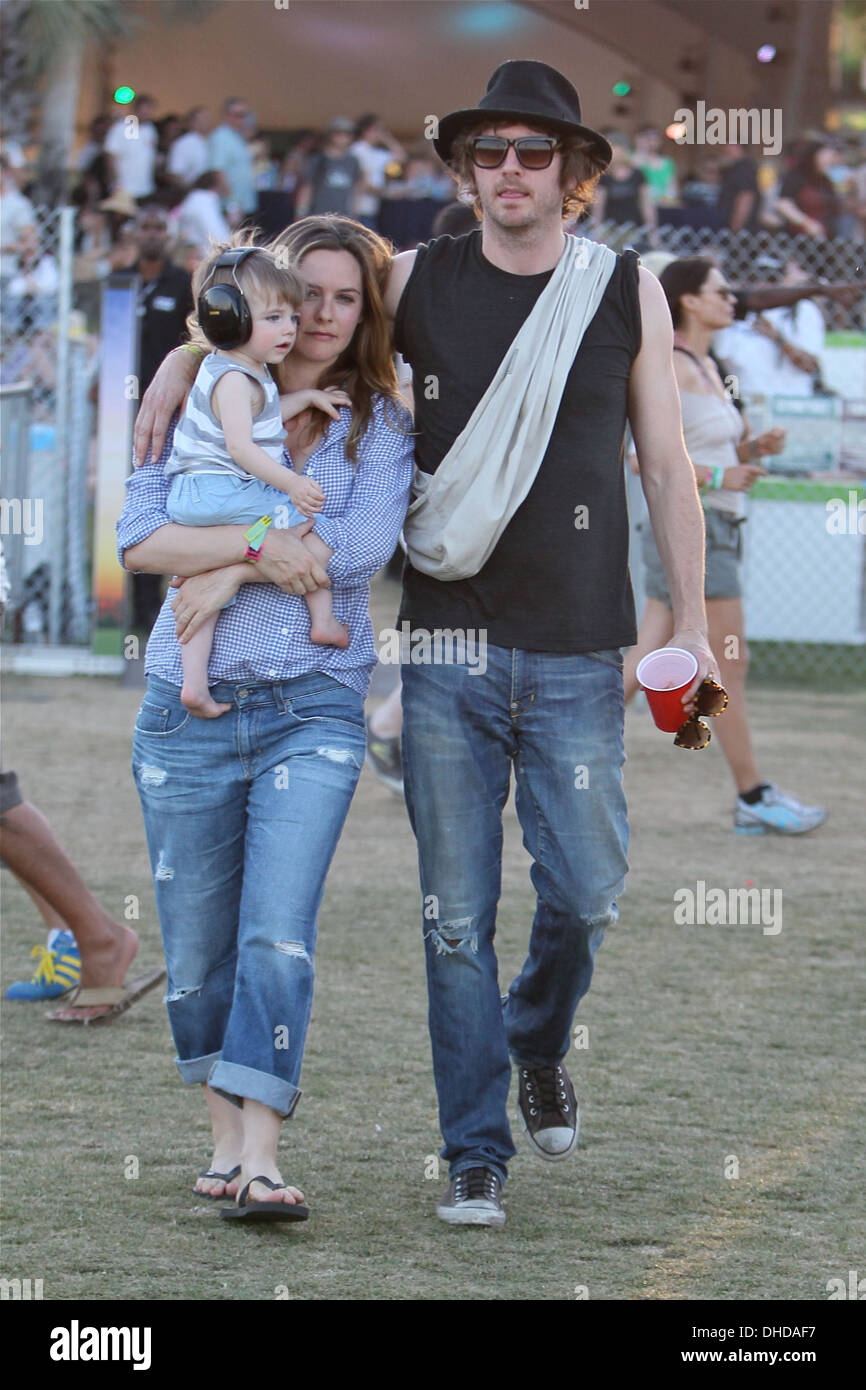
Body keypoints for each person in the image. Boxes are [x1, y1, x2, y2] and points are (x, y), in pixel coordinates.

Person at [133, 61, 715, 1231]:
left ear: (575, 174)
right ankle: (471, 1150)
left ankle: (537, 1038)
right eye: (487, 151)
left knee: (588, 889)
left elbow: (663, 463)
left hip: (580, 645)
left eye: (533, 152)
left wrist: (693, 626)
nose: (508, 170)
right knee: (453, 915)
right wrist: (188, 359)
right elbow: (290, 307)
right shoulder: (410, 279)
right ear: (461, 170)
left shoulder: (623, 291)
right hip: (445, 646)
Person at [121, 215, 413, 1217]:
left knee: (276, 934)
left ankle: (263, 1152)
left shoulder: (378, 423)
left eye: (345, 298)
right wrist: (247, 552)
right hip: (184, 711)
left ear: (367, 310)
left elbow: (353, 548)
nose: (322, 317)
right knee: (196, 944)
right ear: (264, 300)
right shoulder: (195, 399)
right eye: (304, 296)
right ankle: (220, 1138)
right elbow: (138, 539)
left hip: (313, 708)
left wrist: (214, 567)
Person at [623, 256, 827, 836]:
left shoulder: (711, 366)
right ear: (687, 300)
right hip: (697, 529)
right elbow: (638, 459)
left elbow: (706, 454)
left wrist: (752, 450)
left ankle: (559, 755)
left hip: (715, 526)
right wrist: (717, 478)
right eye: (721, 292)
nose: (733, 300)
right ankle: (753, 796)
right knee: (728, 666)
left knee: (645, 660)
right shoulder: (671, 366)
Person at [165, 242, 351, 717]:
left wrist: (306, 395)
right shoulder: (236, 379)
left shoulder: (237, 371)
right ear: (227, 319)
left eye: (291, 316)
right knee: (301, 529)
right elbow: (242, 447)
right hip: (219, 491)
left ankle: (194, 684)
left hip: (203, 497)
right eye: (273, 319)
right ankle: (323, 620)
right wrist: (290, 485)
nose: (290, 328)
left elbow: (260, 422)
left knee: (199, 587)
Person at [294, 119, 362, 219]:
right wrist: (300, 213)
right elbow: (307, 187)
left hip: (343, 215)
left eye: (347, 134)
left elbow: (355, 189)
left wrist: (356, 214)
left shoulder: (353, 161)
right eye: (339, 134)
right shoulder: (317, 159)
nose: (343, 138)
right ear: (330, 135)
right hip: (318, 214)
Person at [350, 114, 406, 232]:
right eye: (377, 129)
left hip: (373, 207)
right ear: (366, 130)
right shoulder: (357, 150)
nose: (379, 133)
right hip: (358, 207)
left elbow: (401, 158)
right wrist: (384, 192)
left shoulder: (379, 153)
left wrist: (387, 139)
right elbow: (361, 181)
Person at [208, 98, 257, 228]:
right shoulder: (221, 137)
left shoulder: (238, 137)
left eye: (244, 115)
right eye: (237, 115)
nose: (242, 119)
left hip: (242, 204)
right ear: (226, 116)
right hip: (229, 206)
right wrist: (232, 204)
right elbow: (218, 171)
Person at [105, 94, 159, 202]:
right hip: (123, 188)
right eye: (145, 109)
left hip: (145, 189)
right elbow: (110, 156)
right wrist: (115, 182)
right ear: (136, 109)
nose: (148, 113)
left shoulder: (151, 130)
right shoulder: (120, 128)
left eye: (150, 109)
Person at [717, 143, 761, 234]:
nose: (725, 149)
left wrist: (737, 224)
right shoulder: (733, 168)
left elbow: (746, 196)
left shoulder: (743, 169)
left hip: (741, 231)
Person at [167, 107, 212, 191]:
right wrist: (190, 191)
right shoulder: (183, 144)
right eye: (202, 119)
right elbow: (174, 174)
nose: (206, 122)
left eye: (207, 119)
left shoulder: (211, 141)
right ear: (192, 122)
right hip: (191, 193)